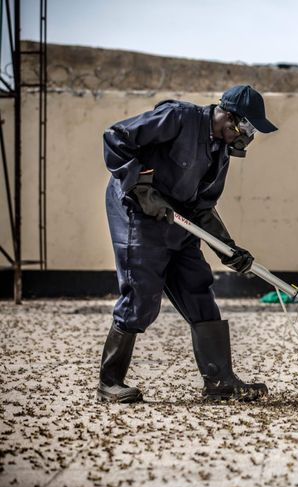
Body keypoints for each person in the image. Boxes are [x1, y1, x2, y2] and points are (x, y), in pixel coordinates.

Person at [98, 85, 277, 403]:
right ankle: (109, 382)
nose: (245, 139)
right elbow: (116, 137)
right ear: (229, 116)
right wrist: (141, 186)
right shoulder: (178, 117)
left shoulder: (221, 152)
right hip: (136, 212)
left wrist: (227, 248)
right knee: (142, 295)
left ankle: (220, 382)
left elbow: (203, 206)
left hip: (177, 220)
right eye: (246, 129)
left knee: (198, 288)